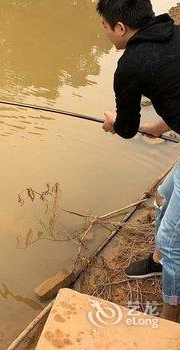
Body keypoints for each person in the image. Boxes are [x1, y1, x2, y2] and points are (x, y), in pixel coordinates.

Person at [96, 0, 180, 321]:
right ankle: (158, 264)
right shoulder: (175, 35)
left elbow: (127, 128)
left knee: (172, 242)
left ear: (120, 28)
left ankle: (171, 319)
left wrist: (113, 122)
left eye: (105, 27)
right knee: (163, 198)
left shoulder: (130, 64)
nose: (104, 33)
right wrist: (160, 126)